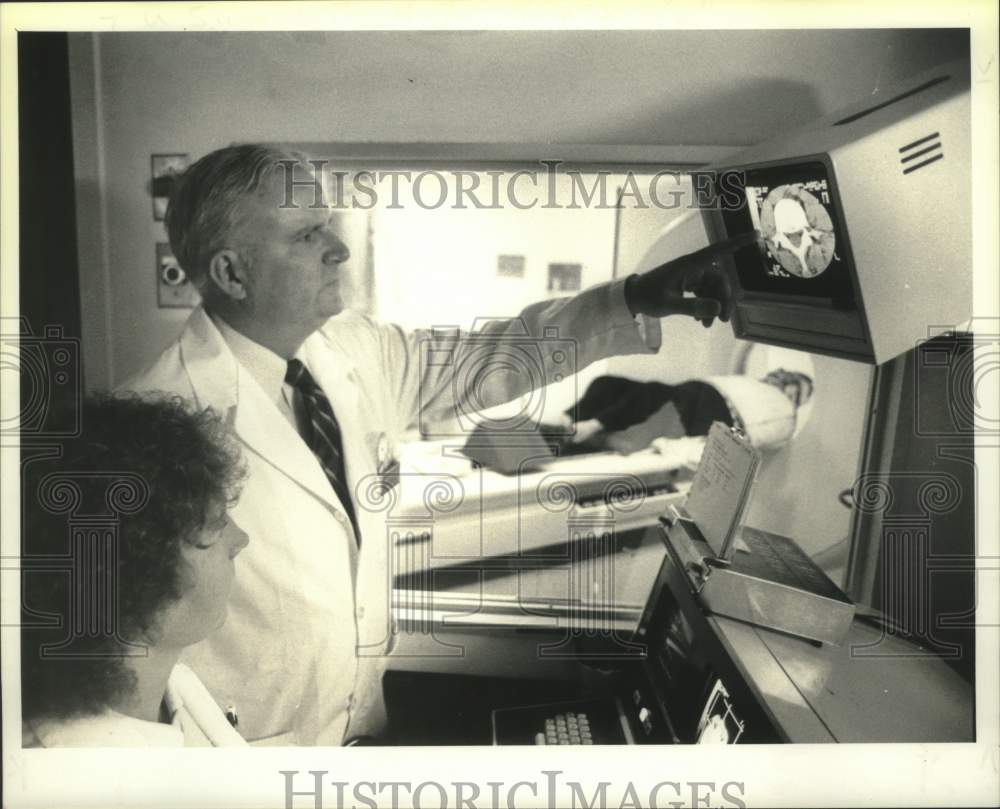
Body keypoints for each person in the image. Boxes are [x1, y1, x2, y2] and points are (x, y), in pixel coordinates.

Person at [123, 143, 755, 745]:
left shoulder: (351, 352)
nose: (338, 250)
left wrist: (635, 297)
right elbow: (126, 646)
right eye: (306, 235)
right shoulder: (153, 426)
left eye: (329, 226)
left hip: (360, 724)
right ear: (232, 272)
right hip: (246, 758)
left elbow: (496, 355)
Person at [20, 393, 249, 747]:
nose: (240, 539)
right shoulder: (77, 779)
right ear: (144, 576)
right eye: (214, 528)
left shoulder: (177, 690)